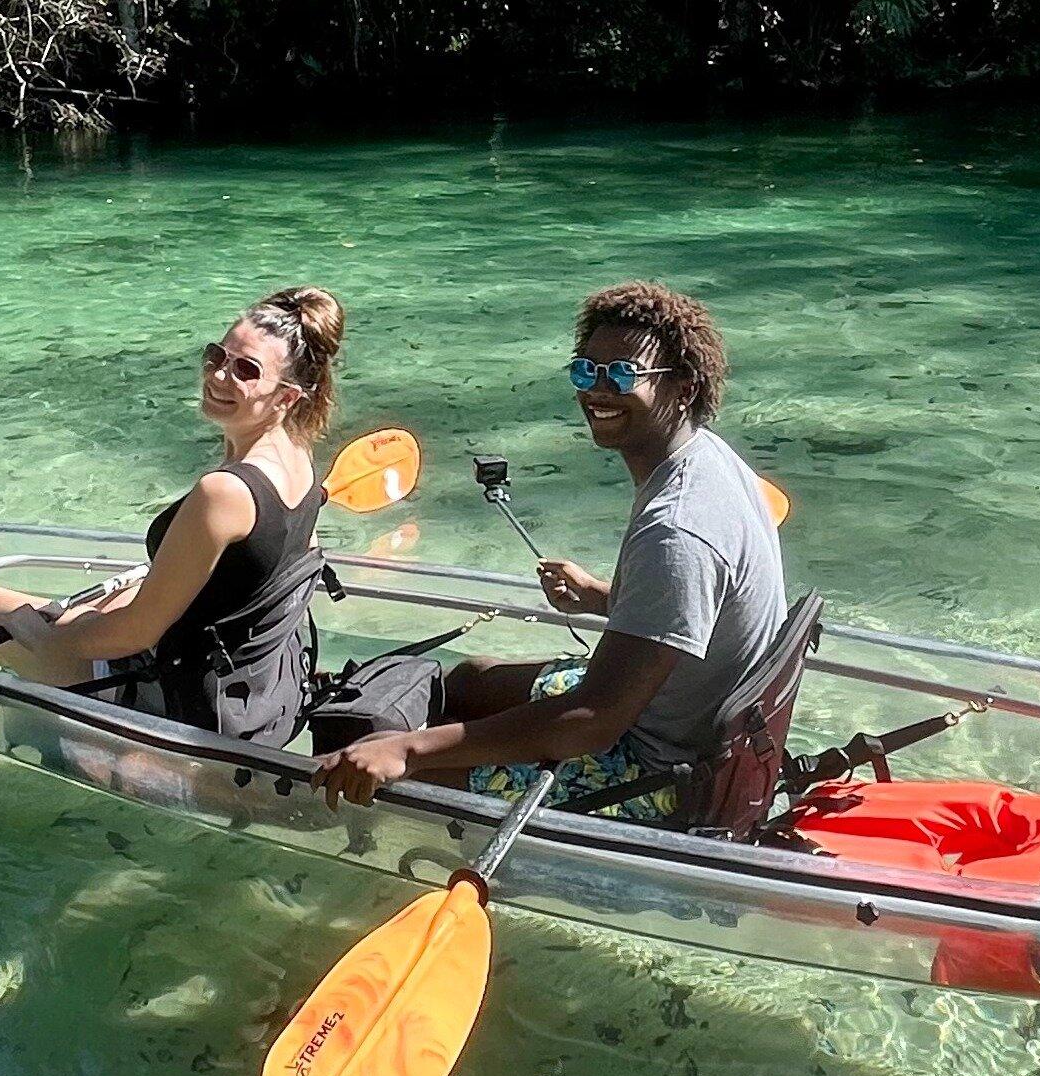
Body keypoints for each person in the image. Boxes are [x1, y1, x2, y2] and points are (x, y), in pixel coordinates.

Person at [310, 281, 782, 819]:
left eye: (624, 374)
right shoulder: (710, 462)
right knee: (469, 680)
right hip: (664, 716)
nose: (598, 391)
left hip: (651, 770)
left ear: (686, 387)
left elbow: (592, 720)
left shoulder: (677, 530)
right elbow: (698, 609)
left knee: (382, 784)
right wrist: (604, 598)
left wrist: (406, 751)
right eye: (586, 370)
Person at [0, 286, 343, 743]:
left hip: (184, 707)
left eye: (245, 370)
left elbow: (135, 632)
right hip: (261, 697)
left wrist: (47, 639)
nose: (220, 376)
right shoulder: (298, 459)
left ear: (286, 397)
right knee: (87, 605)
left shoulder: (224, 491)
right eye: (216, 356)